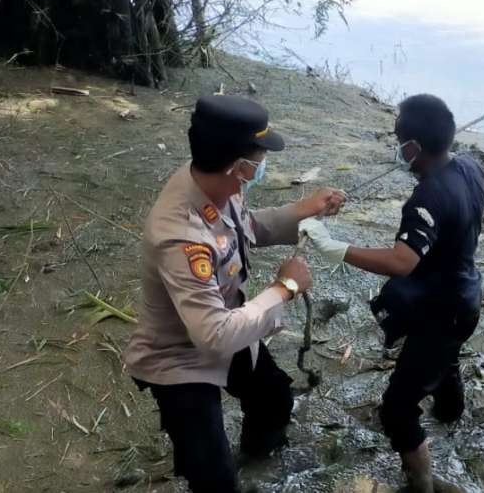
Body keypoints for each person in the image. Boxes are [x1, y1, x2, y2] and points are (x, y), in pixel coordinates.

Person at [124, 95, 347, 493]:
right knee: (214, 477)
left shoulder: (216, 182)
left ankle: (259, 465)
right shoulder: (179, 233)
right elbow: (213, 334)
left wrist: (303, 209)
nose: (262, 168)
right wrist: (286, 287)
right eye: (259, 160)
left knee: (275, 399)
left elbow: (244, 229)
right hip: (180, 358)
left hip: (228, 323)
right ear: (240, 167)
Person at [300, 94, 484, 493]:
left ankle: (422, 483)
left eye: (398, 138)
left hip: (442, 310)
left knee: (396, 409)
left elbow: (403, 261)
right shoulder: (470, 168)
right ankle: (451, 412)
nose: (395, 146)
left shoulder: (427, 197)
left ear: (413, 147)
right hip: (466, 294)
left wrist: (337, 248)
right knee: (444, 358)